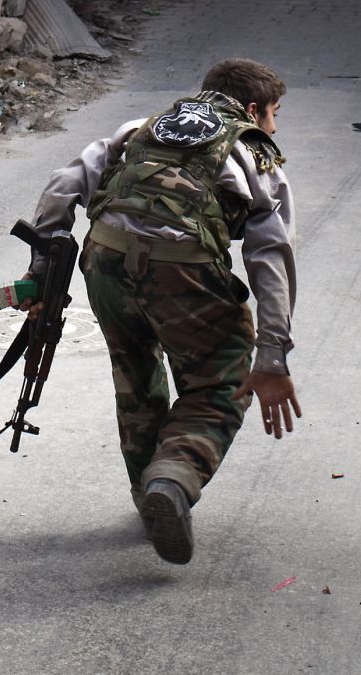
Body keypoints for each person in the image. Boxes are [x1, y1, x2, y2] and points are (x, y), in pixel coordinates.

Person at [21, 58, 301, 565]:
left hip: (103, 263)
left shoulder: (141, 128)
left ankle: (150, 498)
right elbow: (271, 254)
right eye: (275, 114)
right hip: (183, 272)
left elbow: (64, 184)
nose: (276, 127)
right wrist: (272, 354)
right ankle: (172, 478)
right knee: (222, 383)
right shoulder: (254, 149)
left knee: (135, 370)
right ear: (253, 109)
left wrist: (42, 267)